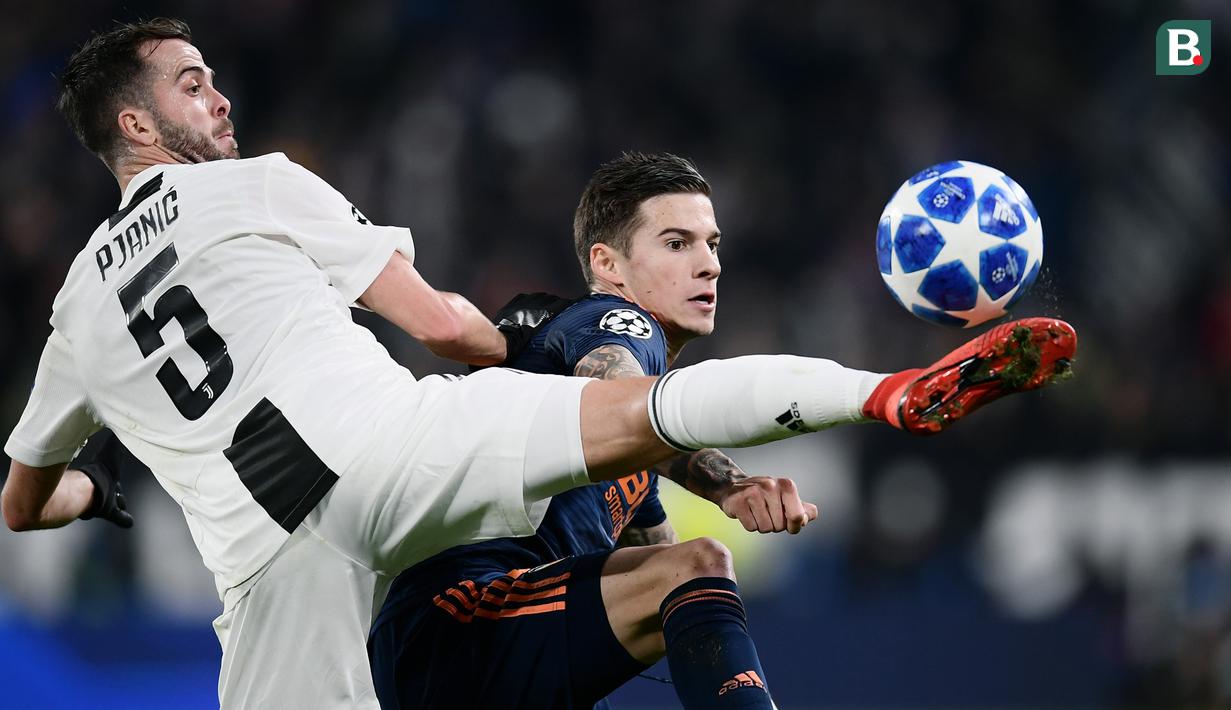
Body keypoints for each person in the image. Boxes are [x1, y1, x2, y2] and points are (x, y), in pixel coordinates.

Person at [0, 18, 1077, 710]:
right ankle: (881, 392)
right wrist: (518, 337)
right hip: (391, 449)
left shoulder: (74, 314)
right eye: (194, 86)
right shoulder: (257, 183)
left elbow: (20, 500)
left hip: (271, 570)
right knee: (640, 401)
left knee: (652, 455)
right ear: (137, 121)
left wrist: (97, 485)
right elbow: (443, 329)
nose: (221, 98)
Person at [368, 152, 814, 710]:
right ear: (609, 265)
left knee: (690, 571)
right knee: (702, 562)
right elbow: (627, 401)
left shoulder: (622, 464)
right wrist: (729, 485)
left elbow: (667, 577)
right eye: (678, 244)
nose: (709, 265)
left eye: (712, 244)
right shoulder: (608, 320)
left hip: (467, 639)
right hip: (462, 613)